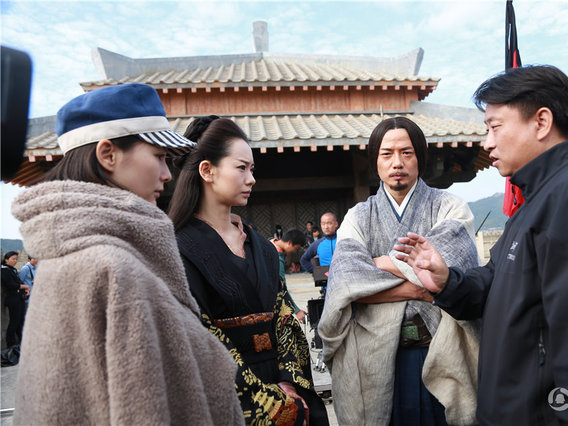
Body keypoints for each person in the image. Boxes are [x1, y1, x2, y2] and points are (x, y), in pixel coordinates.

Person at [395, 65, 568, 425]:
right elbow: (495, 284)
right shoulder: (537, 201)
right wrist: (447, 282)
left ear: (541, 122)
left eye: (494, 127)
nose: (487, 143)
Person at [10, 83, 243, 425]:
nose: (167, 174)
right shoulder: (114, 268)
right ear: (108, 155)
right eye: (159, 157)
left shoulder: (68, 255)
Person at [318, 116, 480, 425]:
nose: (397, 163)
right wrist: (422, 289)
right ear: (375, 161)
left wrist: (378, 264)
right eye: (387, 154)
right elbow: (346, 284)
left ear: (420, 158)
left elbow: (456, 268)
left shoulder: (450, 207)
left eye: (407, 152)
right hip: (377, 356)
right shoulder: (358, 216)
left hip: (442, 347)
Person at [168, 115, 329, 426]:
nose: (252, 178)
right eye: (241, 168)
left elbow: (284, 315)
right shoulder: (177, 248)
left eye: (252, 169)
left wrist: (287, 383)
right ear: (207, 170)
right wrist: (267, 399)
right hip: (226, 394)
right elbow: (201, 336)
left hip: (283, 383)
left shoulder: (263, 248)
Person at [271, 228, 308, 322]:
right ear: (289, 243)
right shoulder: (276, 258)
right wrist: (296, 311)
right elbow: (282, 288)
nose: (294, 251)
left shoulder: (268, 243)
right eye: (295, 248)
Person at [1, 251, 30, 348]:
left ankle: (20, 344)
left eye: (16, 259)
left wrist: (25, 289)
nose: (15, 261)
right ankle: (11, 345)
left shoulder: (12, 270)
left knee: (20, 321)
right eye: (13, 259)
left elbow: (18, 282)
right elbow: (11, 285)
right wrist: (25, 286)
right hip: (13, 299)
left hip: (19, 298)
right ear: (6, 260)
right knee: (14, 322)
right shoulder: (4, 270)